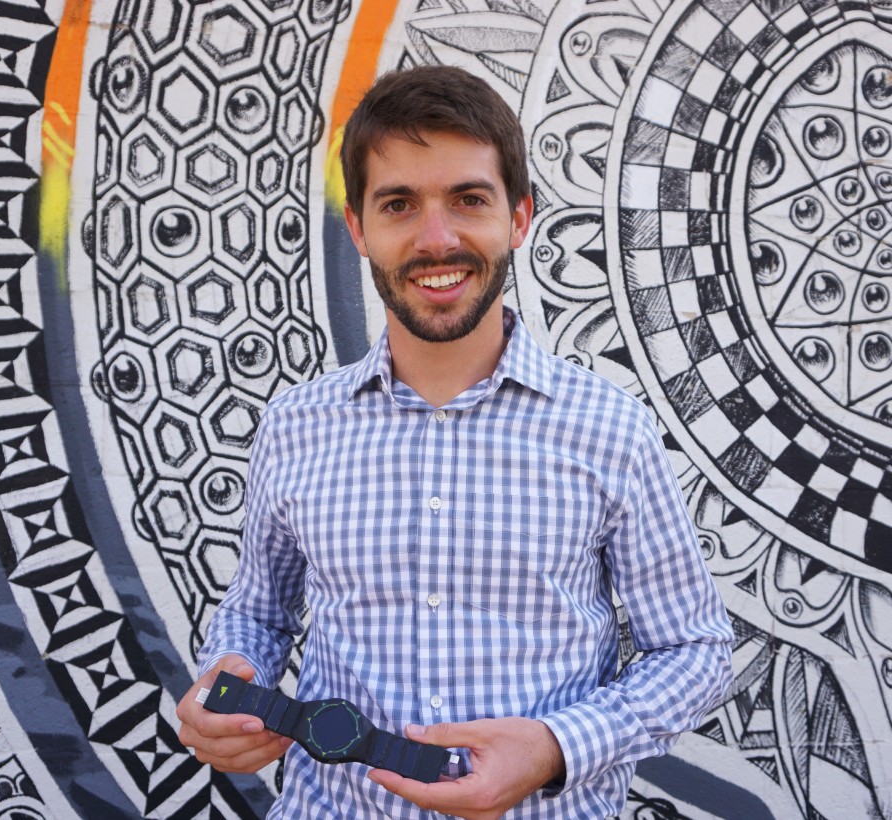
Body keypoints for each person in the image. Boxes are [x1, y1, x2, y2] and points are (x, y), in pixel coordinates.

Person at [177, 65, 734, 819]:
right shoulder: (295, 425)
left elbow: (694, 651)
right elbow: (260, 612)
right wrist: (230, 674)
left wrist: (556, 747)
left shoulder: (611, 428)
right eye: (399, 204)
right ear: (358, 229)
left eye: (468, 200)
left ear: (519, 218)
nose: (436, 239)